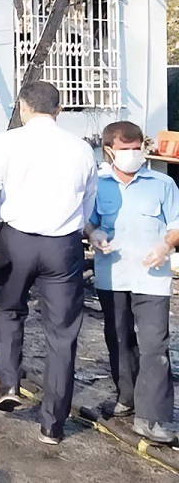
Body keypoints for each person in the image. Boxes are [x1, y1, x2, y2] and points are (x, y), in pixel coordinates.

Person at [0, 81, 96, 445]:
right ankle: (53, 425)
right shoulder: (81, 148)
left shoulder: (7, 142)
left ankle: (9, 384)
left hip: (17, 242)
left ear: (23, 107)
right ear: (59, 109)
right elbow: (88, 200)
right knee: (62, 333)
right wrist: (77, 229)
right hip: (63, 246)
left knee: (10, 311)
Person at [87, 121, 179, 444]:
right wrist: (93, 234)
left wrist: (166, 245)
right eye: (124, 149)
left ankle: (151, 418)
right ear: (109, 151)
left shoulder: (162, 184)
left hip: (152, 277)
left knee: (155, 347)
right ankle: (126, 396)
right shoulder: (98, 185)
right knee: (119, 339)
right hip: (113, 275)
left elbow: (177, 223)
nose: (132, 154)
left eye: (136, 148)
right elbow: (88, 222)